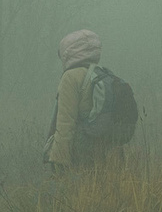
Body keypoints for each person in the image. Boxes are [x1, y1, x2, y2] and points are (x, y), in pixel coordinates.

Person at [44, 28, 121, 171]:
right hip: (104, 151)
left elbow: (65, 124)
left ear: (68, 52)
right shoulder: (100, 72)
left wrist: (58, 163)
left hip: (81, 153)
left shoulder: (71, 77)